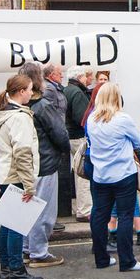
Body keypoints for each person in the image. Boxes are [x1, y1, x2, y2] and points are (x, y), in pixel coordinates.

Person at [86, 82, 140, 273]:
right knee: (125, 216)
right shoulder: (123, 119)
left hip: (100, 176)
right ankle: (127, 261)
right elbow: (138, 141)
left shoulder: (92, 120)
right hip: (123, 175)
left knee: (99, 216)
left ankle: (101, 258)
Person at [0, 75, 44, 279]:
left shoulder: (1, 114)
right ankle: (16, 271)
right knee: (16, 226)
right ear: (21, 91)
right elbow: (22, 153)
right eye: (30, 89)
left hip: (5, 174)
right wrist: (29, 184)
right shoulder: (20, 117)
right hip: (17, 176)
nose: (32, 93)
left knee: (6, 224)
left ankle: (5, 269)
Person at [17, 63, 71, 268]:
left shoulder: (15, 106)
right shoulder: (42, 105)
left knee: (26, 208)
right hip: (45, 162)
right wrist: (64, 150)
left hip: (23, 164)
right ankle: (39, 252)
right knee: (43, 210)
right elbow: (59, 134)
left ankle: (25, 248)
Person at [42, 63, 74, 221]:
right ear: (50, 75)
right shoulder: (49, 89)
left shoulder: (56, 88)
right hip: (55, 135)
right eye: (59, 73)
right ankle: (51, 218)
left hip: (61, 131)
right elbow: (51, 114)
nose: (62, 76)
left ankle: (55, 216)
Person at [63, 65, 94, 222]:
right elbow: (82, 118)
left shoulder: (66, 90)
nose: (86, 79)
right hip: (78, 136)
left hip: (68, 135)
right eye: (84, 77)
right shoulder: (77, 92)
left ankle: (84, 208)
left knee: (77, 170)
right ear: (79, 77)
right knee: (82, 173)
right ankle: (84, 210)